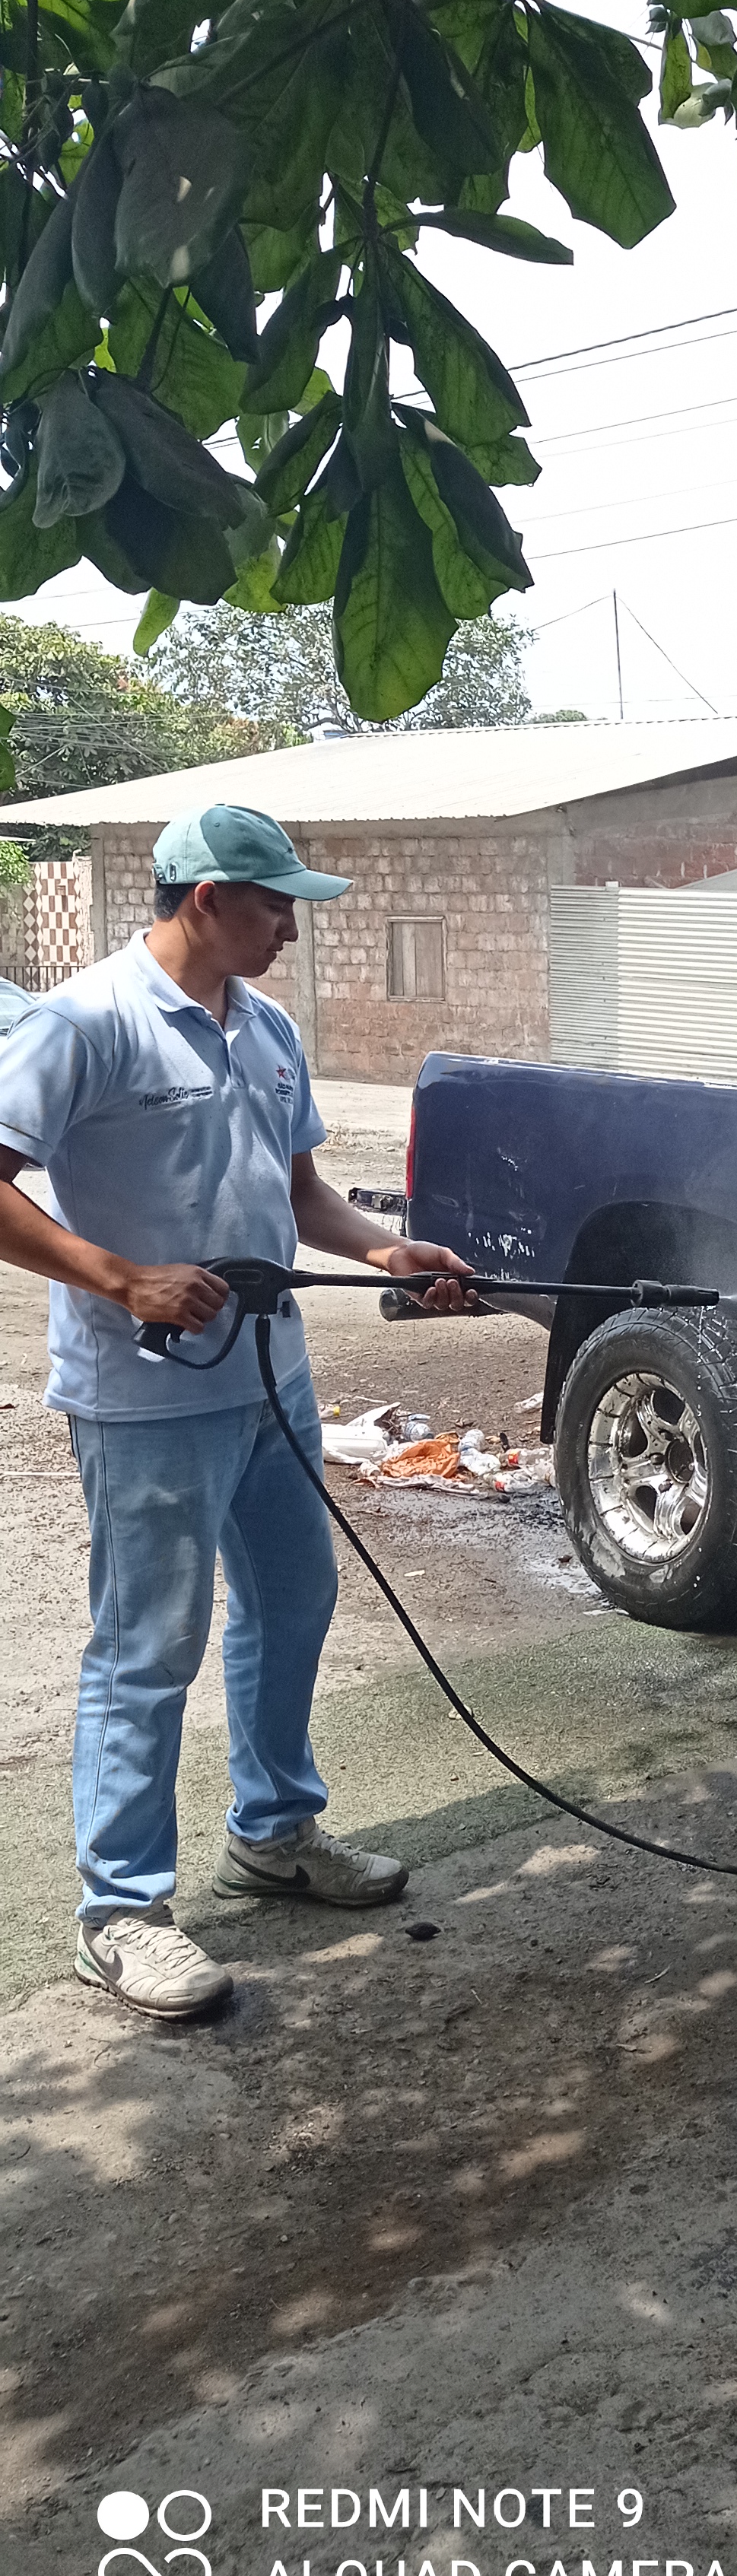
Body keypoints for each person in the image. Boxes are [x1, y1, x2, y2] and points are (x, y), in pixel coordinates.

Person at [0, 803, 476, 2022]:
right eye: (275, 908)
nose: (290, 934)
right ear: (207, 899)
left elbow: (300, 1191)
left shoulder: (264, 1027)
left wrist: (387, 1251)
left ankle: (273, 1834)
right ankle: (119, 1911)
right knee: (148, 1645)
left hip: (271, 1378)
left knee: (293, 1601)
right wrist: (122, 1278)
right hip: (146, 1396)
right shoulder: (86, 1023)